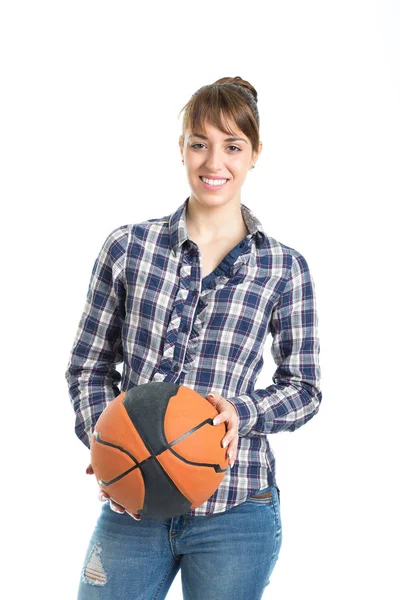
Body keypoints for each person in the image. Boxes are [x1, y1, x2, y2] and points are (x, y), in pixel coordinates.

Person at [65, 75, 322, 599]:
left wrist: (241, 412)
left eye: (232, 146)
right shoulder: (127, 248)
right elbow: (89, 367)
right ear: (180, 147)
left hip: (238, 509)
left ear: (255, 154)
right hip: (132, 501)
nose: (214, 163)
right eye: (199, 143)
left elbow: (305, 387)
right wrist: (108, 439)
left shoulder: (283, 268)